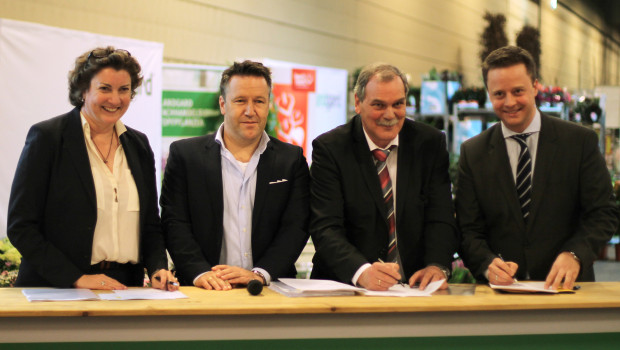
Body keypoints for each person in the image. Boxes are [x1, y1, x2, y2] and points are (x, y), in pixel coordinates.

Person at [7, 47, 177, 290]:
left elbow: (149, 223)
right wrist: (77, 278)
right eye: (105, 88)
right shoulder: (48, 138)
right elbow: (21, 226)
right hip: (57, 287)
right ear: (83, 91)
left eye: (124, 90)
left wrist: (159, 267)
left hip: (125, 287)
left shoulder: (138, 144)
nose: (115, 99)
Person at [456, 46, 619, 290]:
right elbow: (468, 230)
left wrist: (575, 254)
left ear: (535, 87)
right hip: (500, 296)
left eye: (518, 91)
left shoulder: (578, 142)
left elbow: (603, 212)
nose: (510, 102)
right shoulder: (473, 152)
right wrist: (487, 263)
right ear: (489, 94)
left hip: (568, 291)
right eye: (499, 94)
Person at [161, 60, 309, 290]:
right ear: (223, 104)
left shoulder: (292, 160)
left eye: (259, 101)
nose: (250, 111)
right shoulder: (185, 156)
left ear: (268, 104)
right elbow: (174, 222)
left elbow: (296, 226)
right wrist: (199, 272)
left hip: (269, 290)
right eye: (240, 101)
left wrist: (259, 274)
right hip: (204, 289)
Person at [310, 63, 458, 291]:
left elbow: (441, 217)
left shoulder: (429, 144)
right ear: (358, 103)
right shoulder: (331, 149)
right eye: (379, 105)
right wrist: (362, 271)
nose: (390, 115)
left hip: (414, 289)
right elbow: (325, 228)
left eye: (398, 104)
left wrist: (437, 265)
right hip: (346, 288)